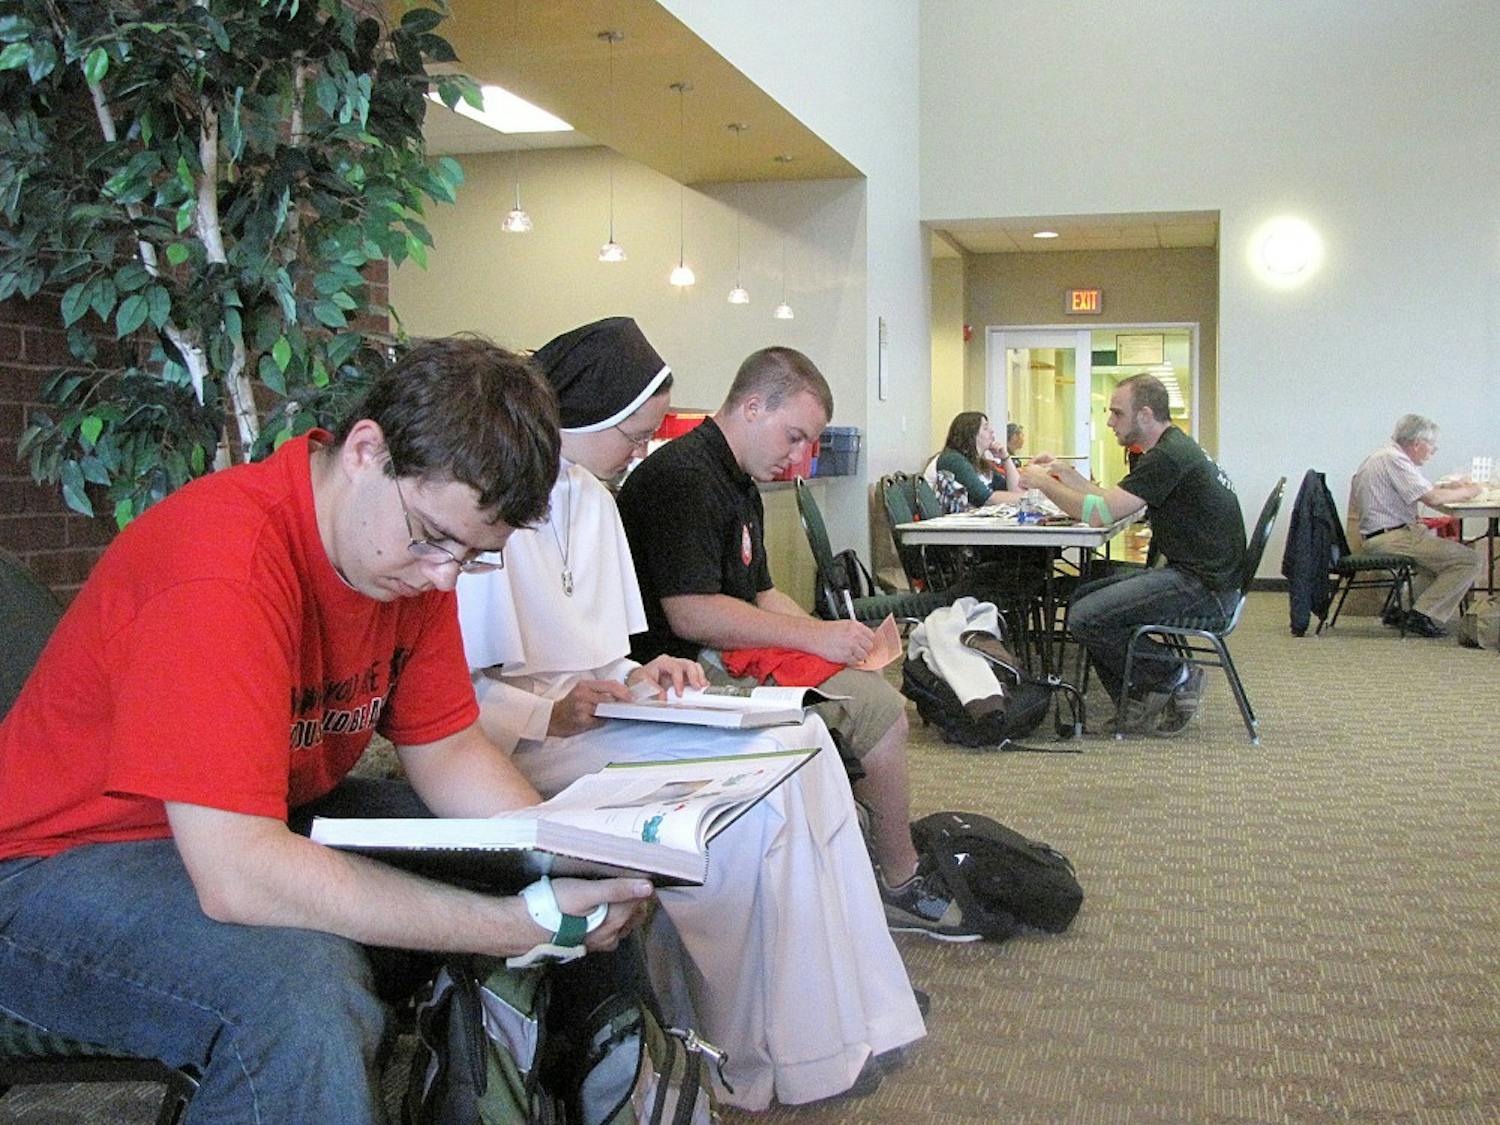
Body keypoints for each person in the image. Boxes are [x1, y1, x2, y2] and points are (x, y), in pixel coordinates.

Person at [0, 338, 653, 1124]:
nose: (445, 576)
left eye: (474, 556)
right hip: (49, 872)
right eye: (434, 539)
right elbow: (240, 875)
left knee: (524, 860)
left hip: (238, 827)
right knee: (297, 988)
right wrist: (510, 923)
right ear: (367, 451)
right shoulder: (224, 566)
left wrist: (566, 849)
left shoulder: (403, 558)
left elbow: (447, 752)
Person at [455, 318, 925, 1108]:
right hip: (519, 743)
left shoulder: (594, 504)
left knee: (801, 744)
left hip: (598, 717)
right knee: (742, 814)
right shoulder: (490, 504)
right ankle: (746, 1055)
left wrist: (642, 673)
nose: (639, 451)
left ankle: (846, 1018)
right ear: (587, 419)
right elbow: (460, 691)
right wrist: (551, 709)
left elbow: (604, 655)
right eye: (633, 434)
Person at [615, 346, 981, 942]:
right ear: (753, 406)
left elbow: (760, 594)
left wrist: (837, 642)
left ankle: (870, 866)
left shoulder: (735, 482)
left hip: (716, 661)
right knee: (880, 713)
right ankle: (898, 878)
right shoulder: (682, 479)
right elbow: (691, 613)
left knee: (865, 690)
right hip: (674, 673)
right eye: (793, 437)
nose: (796, 456)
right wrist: (817, 636)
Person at [1020, 374, 1246, 735]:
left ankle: (1175, 675)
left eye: (1116, 413)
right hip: (1203, 578)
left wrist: (1043, 483)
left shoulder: (1168, 458)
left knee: (1084, 616)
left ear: (1144, 414)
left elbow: (1099, 514)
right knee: (1083, 594)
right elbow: (1110, 501)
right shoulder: (1171, 450)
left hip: (1206, 590)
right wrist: (1065, 474)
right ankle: (1138, 695)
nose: (1109, 421)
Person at [1348, 414, 1482, 637]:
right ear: (1417, 443)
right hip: (1391, 538)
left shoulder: (1386, 455)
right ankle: (1422, 614)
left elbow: (1424, 489)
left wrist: (1452, 486)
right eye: (1433, 446)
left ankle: (1406, 610)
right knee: (1469, 560)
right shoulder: (1394, 459)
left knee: (1441, 561)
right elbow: (1432, 499)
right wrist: (1471, 491)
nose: (1433, 451)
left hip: (1384, 534)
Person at [921, 410, 1023, 511]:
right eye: (985, 428)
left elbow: (1014, 490)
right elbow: (986, 499)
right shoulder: (953, 460)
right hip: (943, 524)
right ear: (971, 434)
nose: (992, 431)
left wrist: (1005, 458)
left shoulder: (980, 462)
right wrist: (1030, 498)